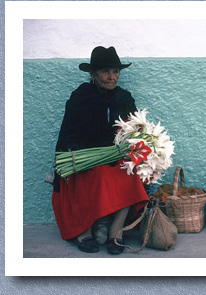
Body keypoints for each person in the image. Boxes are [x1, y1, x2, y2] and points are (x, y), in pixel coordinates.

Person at [52, 46, 149, 254]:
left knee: (130, 173)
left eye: (115, 72)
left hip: (114, 156)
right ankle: (84, 232)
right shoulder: (81, 96)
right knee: (91, 174)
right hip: (83, 156)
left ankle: (116, 232)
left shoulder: (123, 98)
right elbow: (68, 133)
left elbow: (135, 128)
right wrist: (82, 152)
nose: (112, 77)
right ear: (93, 75)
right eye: (106, 71)